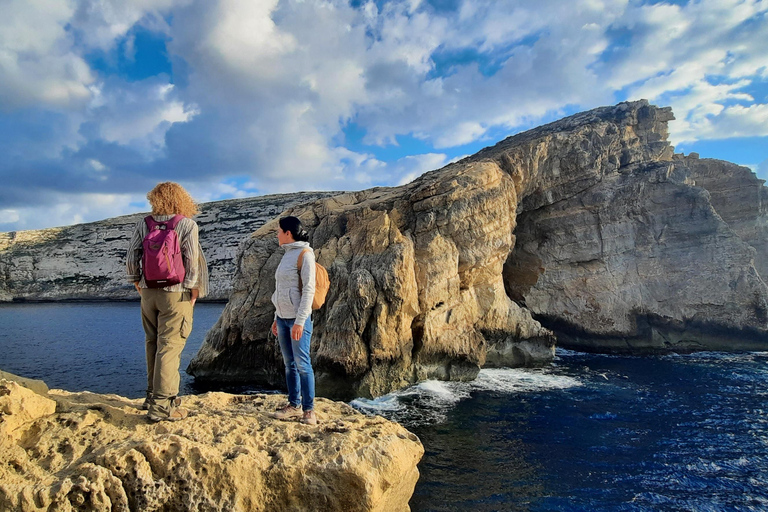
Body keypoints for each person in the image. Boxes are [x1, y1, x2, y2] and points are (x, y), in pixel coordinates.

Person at [126, 182, 208, 422]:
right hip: (176, 293)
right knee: (170, 346)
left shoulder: (145, 223)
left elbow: (132, 255)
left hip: (148, 292)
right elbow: (191, 260)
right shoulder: (186, 224)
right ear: (182, 200)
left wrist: (136, 282)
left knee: (152, 343)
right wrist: (193, 289)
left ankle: (151, 397)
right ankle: (163, 407)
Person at [270, 216, 318, 425]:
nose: (277, 234)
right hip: (282, 319)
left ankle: (309, 411)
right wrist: (275, 317)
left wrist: (300, 321)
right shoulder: (286, 255)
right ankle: (293, 405)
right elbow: (280, 290)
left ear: (288, 233)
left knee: (302, 364)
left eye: (279, 231)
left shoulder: (305, 254)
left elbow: (308, 289)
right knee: (289, 365)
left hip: (299, 320)